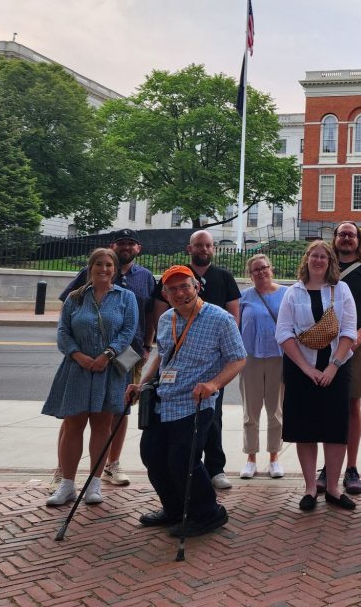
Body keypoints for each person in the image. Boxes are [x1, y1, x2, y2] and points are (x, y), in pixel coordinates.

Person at [128, 265, 246, 538]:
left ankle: (208, 513)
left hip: (195, 402)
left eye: (185, 286)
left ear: (197, 287)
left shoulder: (220, 319)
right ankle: (174, 509)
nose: (180, 293)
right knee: (153, 457)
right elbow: (162, 355)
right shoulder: (168, 318)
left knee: (183, 461)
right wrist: (142, 384)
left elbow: (238, 358)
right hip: (163, 399)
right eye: (173, 289)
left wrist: (214, 384)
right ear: (166, 295)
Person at [52, 229, 156, 490]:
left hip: (129, 353)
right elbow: (66, 314)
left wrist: (147, 345)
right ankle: (63, 470)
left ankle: (112, 464)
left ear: (138, 249)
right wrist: (78, 352)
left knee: (117, 411)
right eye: (122, 243)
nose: (126, 248)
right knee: (74, 416)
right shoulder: (83, 284)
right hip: (85, 355)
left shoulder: (145, 277)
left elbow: (151, 312)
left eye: (131, 244)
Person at [42, 248, 137, 507]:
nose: (103, 269)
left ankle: (94, 484)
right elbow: (63, 331)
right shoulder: (75, 298)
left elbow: (128, 330)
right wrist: (77, 355)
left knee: (102, 425)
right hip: (77, 369)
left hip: (109, 370)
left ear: (115, 270)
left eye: (108, 265)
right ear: (89, 268)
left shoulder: (126, 298)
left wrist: (108, 354)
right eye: (98, 264)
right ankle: (67, 485)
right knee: (73, 425)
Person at [149, 230, 241, 490]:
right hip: (174, 380)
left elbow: (234, 316)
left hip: (211, 368)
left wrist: (219, 347)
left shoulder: (223, 278)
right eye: (198, 245)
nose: (203, 249)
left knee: (212, 419)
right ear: (190, 248)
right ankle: (187, 480)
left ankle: (215, 468)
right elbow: (162, 342)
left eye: (208, 245)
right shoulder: (174, 283)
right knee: (168, 450)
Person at [274, 240, 358, 512]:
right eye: (314, 255)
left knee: (335, 430)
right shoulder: (292, 293)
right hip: (301, 371)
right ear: (306, 260)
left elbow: (348, 331)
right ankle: (311, 488)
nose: (318, 260)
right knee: (306, 430)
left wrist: (333, 366)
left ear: (330, 261)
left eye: (324, 256)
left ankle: (333, 488)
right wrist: (307, 369)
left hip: (336, 369)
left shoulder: (341, 289)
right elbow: (283, 333)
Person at [315, 221, 361, 496]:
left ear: (358, 240)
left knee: (352, 405)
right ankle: (327, 467)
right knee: (327, 405)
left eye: (351, 235)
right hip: (324, 345)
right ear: (334, 238)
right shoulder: (324, 267)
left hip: (357, 346)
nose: (346, 238)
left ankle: (351, 468)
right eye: (341, 234)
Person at [238, 254, 286, 480]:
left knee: (275, 412)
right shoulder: (244, 297)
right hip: (250, 359)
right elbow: (235, 327)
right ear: (250, 274)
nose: (260, 272)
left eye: (264, 268)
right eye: (255, 270)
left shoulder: (286, 293)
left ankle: (274, 458)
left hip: (278, 357)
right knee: (251, 412)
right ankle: (251, 458)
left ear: (271, 269)